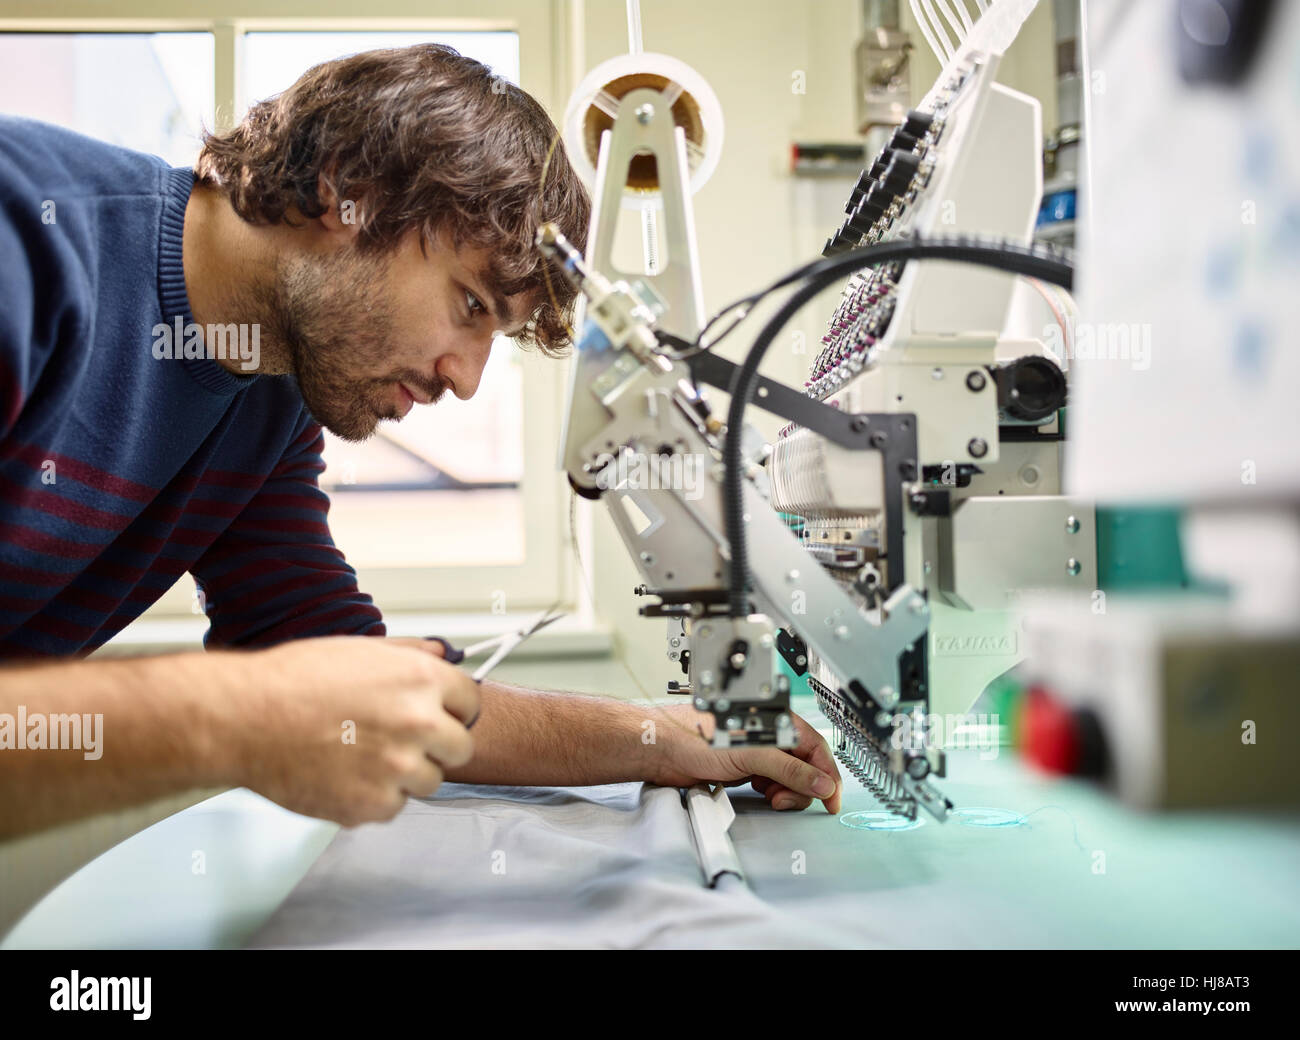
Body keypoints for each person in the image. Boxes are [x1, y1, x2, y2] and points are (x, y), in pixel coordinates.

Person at [0, 44, 840, 839]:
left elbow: (339, 672)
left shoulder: (271, 400)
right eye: (472, 304)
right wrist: (240, 719)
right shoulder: (26, 245)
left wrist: (663, 738)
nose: (466, 379)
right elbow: (285, 702)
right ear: (343, 191)